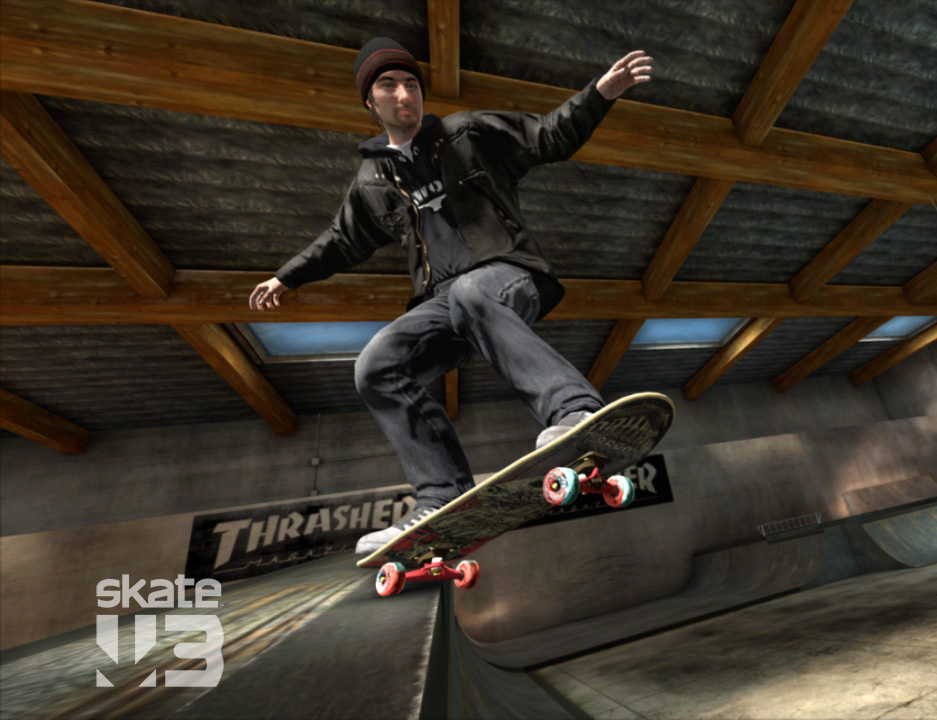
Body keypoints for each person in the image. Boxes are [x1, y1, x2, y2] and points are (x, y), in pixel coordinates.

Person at [248, 38, 653, 556]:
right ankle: (440, 492)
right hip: (441, 303)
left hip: (507, 276)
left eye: (411, 85)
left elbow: (548, 135)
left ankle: (575, 412)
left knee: (470, 291)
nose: (404, 95)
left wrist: (600, 93)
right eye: (389, 86)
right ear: (370, 102)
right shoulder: (372, 181)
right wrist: (287, 277)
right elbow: (342, 240)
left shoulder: (468, 131)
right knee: (374, 367)